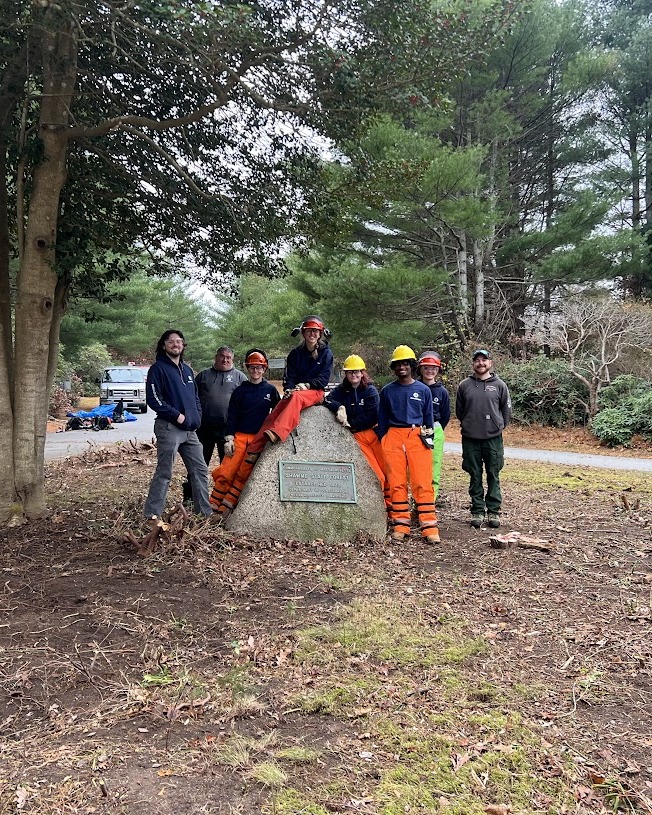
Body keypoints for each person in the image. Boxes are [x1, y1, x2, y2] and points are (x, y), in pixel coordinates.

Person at [219, 315, 334, 512]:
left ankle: (279, 432)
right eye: (309, 331)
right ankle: (259, 442)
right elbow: (289, 376)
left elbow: (323, 378)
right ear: (303, 333)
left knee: (297, 400)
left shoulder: (326, 353)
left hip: (314, 392)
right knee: (282, 405)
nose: (312, 334)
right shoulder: (295, 354)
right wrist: (289, 388)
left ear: (320, 333)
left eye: (316, 331)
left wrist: (306, 385)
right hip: (296, 391)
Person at [143, 329, 213, 520]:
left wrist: (196, 417)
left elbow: (195, 397)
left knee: (200, 471)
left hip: (190, 431)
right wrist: (177, 416)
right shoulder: (158, 369)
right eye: (172, 341)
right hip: (169, 427)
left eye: (179, 341)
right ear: (164, 345)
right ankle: (152, 515)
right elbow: (154, 399)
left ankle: (204, 514)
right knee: (165, 472)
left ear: (183, 345)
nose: (176, 345)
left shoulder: (187, 370)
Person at [377, 345, 440, 544]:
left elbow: (429, 418)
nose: (402, 367)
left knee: (422, 482)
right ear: (393, 368)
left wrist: (427, 439)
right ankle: (401, 525)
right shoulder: (387, 391)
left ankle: (429, 527)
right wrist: (385, 438)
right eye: (398, 364)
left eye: (405, 363)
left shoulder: (423, 390)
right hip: (393, 434)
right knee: (396, 482)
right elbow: (382, 418)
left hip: (417, 435)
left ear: (412, 366)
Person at [209, 349, 280, 516]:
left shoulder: (270, 391)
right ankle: (213, 504)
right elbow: (232, 415)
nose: (256, 371)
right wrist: (229, 438)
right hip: (239, 436)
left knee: (244, 474)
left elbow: (278, 413)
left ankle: (227, 506)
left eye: (259, 367)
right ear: (248, 369)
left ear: (264, 369)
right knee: (227, 470)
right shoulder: (240, 391)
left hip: (257, 439)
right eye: (252, 368)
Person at [455, 348, 512, 529]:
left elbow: (506, 410)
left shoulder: (500, 385)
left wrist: (498, 426)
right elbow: (459, 411)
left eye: (484, 360)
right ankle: (477, 510)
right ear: (473, 364)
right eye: (477, 360)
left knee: (493, 474)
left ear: (490, 363)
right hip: (470, 438)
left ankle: (494, 510)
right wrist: (469, 424)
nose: (481, 363)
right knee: (474, 474)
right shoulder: (465, 385)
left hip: (493, 438)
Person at [183, 346, 247, 502]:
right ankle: (192, 498)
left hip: (229, 432)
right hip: (204, 430)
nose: (224, 360)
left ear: (232, 359)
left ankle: (224, 500)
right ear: (216, 357)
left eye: (228, 357)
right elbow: (192, 399)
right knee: (198, 465)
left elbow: (246, 402)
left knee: (228, 467)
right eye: (222, 356)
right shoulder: (203, 376)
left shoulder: (240, 377)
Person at [324, 354, 389, 505]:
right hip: (358, 438)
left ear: (362, 373)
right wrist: (338, 407)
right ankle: (382, 508)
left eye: (357, 372)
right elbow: (327, 399)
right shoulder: (342, 390)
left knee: (388, 472)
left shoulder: (370, 391)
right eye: (350, 372)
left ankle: (394, 509)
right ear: (345, 374)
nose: (354, 375)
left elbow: (372, 416)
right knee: (376, 474)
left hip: (374, 434)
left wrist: (350, 424)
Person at [417, 351, 451, 498]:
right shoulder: (414, 388)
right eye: (426, 368)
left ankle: (430, 499)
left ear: (437, 370)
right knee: (417, 466)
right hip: (416, 429)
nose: (429, 371)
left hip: (435, 429)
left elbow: (445, 415)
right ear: (420, 369)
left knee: (434, 465)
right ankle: (417, 498)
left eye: (433, 368)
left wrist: (436, 429)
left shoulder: (442, 392)